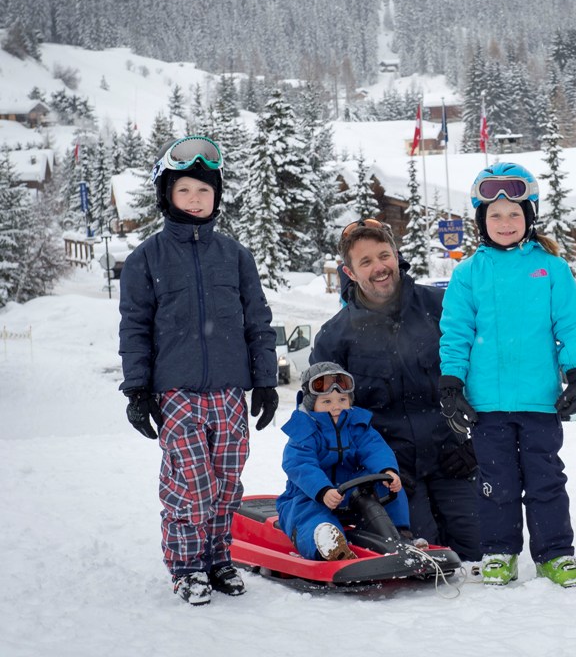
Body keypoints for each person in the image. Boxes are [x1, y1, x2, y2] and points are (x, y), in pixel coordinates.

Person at [118, 136, 279, 606]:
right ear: (166, 194)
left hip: (229, 391)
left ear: (217, 196)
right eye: (184, 189)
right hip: (176, 392)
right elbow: (135, 327)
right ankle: (187, 565)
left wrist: (265, 380)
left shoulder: (235, 255)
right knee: (191, 484)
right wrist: (137, 389)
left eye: (204, 190)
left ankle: (218, 558)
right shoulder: (146, 259)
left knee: (227, 483)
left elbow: (258, 321)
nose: (194, 199)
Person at [438, 162, 576, 588]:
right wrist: (451, 382)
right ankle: (499, 552)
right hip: (487, 404)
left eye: (513, 213)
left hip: (540, 399)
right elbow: (456, 332)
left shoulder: (552, 269)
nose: (505, 222)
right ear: (481, 220)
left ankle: (555, 553)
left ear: (529, 217)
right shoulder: (468, 273)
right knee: (496, 482)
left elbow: (570, 324)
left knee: (546, 480)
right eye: (495, 214)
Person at [309, 219, 481, 563]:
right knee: (421, 558)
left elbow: (485, 375)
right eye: (366, 262)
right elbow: (325, 420)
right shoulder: (334, 337)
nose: (379, 268)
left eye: (384, 256)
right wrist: (367, 469)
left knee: (479, 548)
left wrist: (475, 445)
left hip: (454, 457)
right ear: (350, 272)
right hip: (391, 472)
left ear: (397, 255)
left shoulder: (443, 307)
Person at [276, 362, 414, 561]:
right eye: (327, 401)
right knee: (307, 515)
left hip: (350, 494)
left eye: (342, 399)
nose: (336, 406)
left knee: (389, 486)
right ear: (312, 403)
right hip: (311, 495)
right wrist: (323, 490)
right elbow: (300, 464)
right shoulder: (304, 430)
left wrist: (388, 470)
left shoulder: (356, 424)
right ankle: (329, 545)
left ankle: (398, 535)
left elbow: (374, 447)